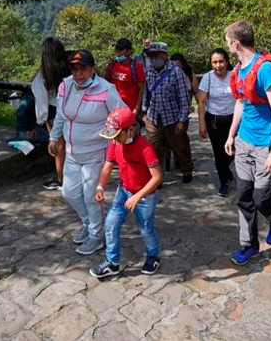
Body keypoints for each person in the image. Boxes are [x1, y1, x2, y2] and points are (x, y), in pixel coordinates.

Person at [48, 50, 125, 256]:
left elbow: (121, 115)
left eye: (83, 68)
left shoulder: (106, 90)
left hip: (95, 152)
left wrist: (109, 138)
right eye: (74, 68)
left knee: (92, 196)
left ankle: (96, 236)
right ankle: (88, 223)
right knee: (69, 193)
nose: (78, 73)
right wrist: (54, 137)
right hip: (72, 151)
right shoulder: (66, 85)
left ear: (92, 69)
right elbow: (61, 116)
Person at [223, 21, 271, 266]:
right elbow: (240, 103)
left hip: (265, 146)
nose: (228, 47)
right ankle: (248, 245)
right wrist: (231, 135)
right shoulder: (238, 70)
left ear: (235, 43)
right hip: (244, 144)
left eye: (228, 43)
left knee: (262, 199)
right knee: (244, 197)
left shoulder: (266, 69)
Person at [90, 107, 163, 278]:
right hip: (123, 191)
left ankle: (153, 256)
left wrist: (138, 196)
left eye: (117, 135)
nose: (114, 139)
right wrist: (101, 186)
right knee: (110, 224)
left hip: (145, 196)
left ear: (130, 130)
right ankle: (112, 262)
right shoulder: (115, 143)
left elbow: (157, 177)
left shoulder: (145, 148)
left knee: (146, 228)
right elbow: (108, 166)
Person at [142, 41, 195, 184]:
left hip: (172, 118)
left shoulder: (176, 72)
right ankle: (157, 178)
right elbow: (146, 93)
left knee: (180, 147)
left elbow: (184, 97)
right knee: (154, 149)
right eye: (151, 56)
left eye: (156, 55)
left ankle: (187, 170)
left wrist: (182, 120)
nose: (153, 59)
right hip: (153, 117)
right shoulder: (149, 72)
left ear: (165, 55)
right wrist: (144, 112)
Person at [197, 48, 237, 197]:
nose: (218, 65)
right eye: (214, 62)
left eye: (221, 61)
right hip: (214, 120)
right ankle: (223, 183)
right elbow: (201, 102)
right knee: (219, 153)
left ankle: (225, 167)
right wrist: (202, 124)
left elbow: (242, 99)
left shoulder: (235, 76)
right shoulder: (208, 78)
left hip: (233, 119)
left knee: (233, 150)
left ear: (226, 61)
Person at [32, 37, 70, 191]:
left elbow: (41, 99)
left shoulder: (44, 74)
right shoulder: (69, 68)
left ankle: (61, 179)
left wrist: (40, 119)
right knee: (71, 143)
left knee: (58, 145)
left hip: (53, 110)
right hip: (72, 109)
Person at [103, 38, 146, 117]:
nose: (117, 52)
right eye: (116, 49)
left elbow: (141, 89)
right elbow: (106, 82)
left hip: (129, 109)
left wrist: (136, 108)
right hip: (113, 107)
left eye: (120, 49)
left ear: (129, 51)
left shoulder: (136, 67)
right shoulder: (112, 64)